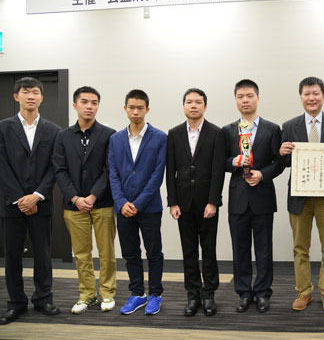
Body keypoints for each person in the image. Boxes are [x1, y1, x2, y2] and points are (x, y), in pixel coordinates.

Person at [280, 77, 324, 312]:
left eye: (316, 93)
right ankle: (304, 292)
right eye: (307, 94)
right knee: (300, 247)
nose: (311, 98)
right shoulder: (289, 125)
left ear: (323, 96)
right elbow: (284, 163)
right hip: (300, 197)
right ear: (301, 97)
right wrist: (282, 152)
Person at [0, 77, 61, 325]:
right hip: (11, 204)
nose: (31, 96)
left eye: (35, 92)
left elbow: (55, 167)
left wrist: (36, 196)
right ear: (17, 97)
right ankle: (16, 303)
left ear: (42, 97)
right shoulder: (3, 128)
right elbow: (2, 166)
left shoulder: (54, 130)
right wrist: (20, 199)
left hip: (41, 203)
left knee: (43, 254)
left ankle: (43, 299)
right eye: (26, 92)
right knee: (12, 255)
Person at [53, 86, 117, 314]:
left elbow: (110, 169)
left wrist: (92, 196)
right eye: (84, 102)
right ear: (75, 105)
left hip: (102, 202)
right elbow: (60, 170)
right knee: (81, 254)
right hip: (74, 205)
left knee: (107, 252)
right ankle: (87, 294)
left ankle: (107, 293)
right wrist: (75, 198)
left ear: (98, 106)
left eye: (94, 103)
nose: (89, 106)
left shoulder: (109, 134)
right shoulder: (62, 136)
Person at [222, 79, 284, 313]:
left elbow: (279, 163)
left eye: (249, 96)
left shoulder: (272, 129)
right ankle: (243, 292)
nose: (245, 100)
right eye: (240, 97)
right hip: (238, 198)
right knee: (239, 249)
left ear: (258, 98)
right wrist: (234, 162)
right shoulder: (228, 131)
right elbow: (221, 162)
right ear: (235, 100)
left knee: (264, 249)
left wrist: (262, 174)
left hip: (262, 196)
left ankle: (263, 292)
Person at [166, 88, 225, 317]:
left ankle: (209, 294)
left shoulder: (216, 133)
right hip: (183, 203)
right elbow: (170, 170)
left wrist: (213, 201)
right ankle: (192, 295)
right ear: (183, 106)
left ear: (205, 106)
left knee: (209, 250)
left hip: (206, 203)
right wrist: (172, 202)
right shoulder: (174, 133)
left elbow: (218, 171)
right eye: (189, 102)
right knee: (188, 251)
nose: (193, 105)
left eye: (198, 102)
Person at [108, 89, 167, 315]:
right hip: (123, 208)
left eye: (140, 108)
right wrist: (121, 202)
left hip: (149, 207)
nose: (135, 112)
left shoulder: (159, 137)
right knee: (130, 253)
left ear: (147, 110)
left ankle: (155, 294)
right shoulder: (115, 139)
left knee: (154, 253)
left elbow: (157, 175)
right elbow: (113, 173)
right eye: (131, 107)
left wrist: (139, 203)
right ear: (125, 109)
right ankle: (137, 293)